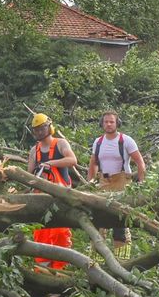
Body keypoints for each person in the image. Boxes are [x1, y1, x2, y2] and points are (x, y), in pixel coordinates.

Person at [86, 110, 146, 255]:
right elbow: (93, 163)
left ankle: (122, 259)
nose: (108, 124)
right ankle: (96, 259)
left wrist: (142, 184)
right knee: (98, 221)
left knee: (120, 220)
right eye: (106, 121)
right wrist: (90, 183)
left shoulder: (126, 140)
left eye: (111, 121)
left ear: (117, 123)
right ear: (102, 123)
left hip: (121, 182)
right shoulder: (98, 142)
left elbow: (140, 162)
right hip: (103, 182)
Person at [26, 113, 78, 269]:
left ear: (49, 127)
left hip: (61, 199)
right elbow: (28, 176)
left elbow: (72, 160)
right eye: (36, 130)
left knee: (61, 234)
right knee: (41, 234)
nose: (40, 133)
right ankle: (42, 271)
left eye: (42, 129)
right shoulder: (34, 151)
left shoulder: (60, 143)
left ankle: (60, 272)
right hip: (41, 200)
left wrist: (50, 163)